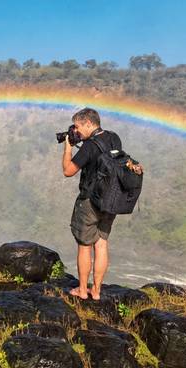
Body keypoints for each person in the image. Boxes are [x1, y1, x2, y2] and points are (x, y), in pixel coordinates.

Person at [61, 108, 139, 300]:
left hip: (89, 201)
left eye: (78, 127)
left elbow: (68, 171)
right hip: (111, 201)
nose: (76, 131)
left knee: (85, 245)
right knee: (102, 244)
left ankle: (82, 290)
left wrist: (68, 147)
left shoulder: (89, 146)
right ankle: (96, 291)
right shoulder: (114, 138)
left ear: (89, 123)